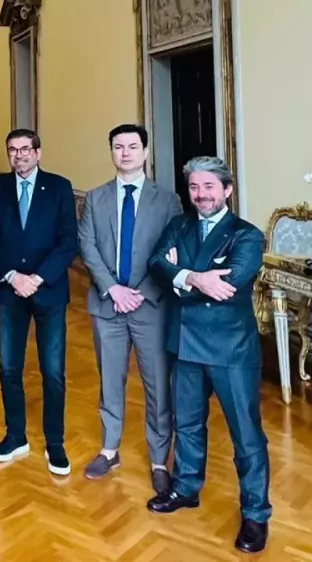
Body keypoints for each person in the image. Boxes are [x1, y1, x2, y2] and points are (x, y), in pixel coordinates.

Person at [146, 156, 270, 554]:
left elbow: (228, 285)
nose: (200, 195)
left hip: (230, 348)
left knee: (245, 435)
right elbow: (155, 263)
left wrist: (180, 275)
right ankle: (185, 488)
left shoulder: (247, 235)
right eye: (194, 188)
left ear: (227, 190)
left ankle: (255, 513)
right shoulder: (180, 224)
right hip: (184, 342)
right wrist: (196, 276)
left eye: (209, 188)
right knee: (188, 423)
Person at [77, 124, 182, 492]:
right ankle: (109, 448)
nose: (125, 153)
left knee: (158, 385)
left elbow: (172, 254)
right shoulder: (95, 198)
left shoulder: (168, 201)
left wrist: (138, 291)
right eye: (118, 147)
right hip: (108, 306)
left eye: (133, 146)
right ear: (111, 152)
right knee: (111, 380)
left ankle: (158, 458)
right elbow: (87, 247)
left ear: (146, 152)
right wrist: (113, 289)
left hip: (151, 305)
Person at [0, 128, 78, 476]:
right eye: (12, 150)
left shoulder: (60, 187)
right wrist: (10, 276)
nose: (19, 155)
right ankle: (16, 435)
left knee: (52, 371)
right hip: (10, 291)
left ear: (38, 152)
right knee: (9, 368)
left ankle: (55, 442)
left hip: (48, 291)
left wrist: (37, 278)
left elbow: (68, 242)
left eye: (25, 149)